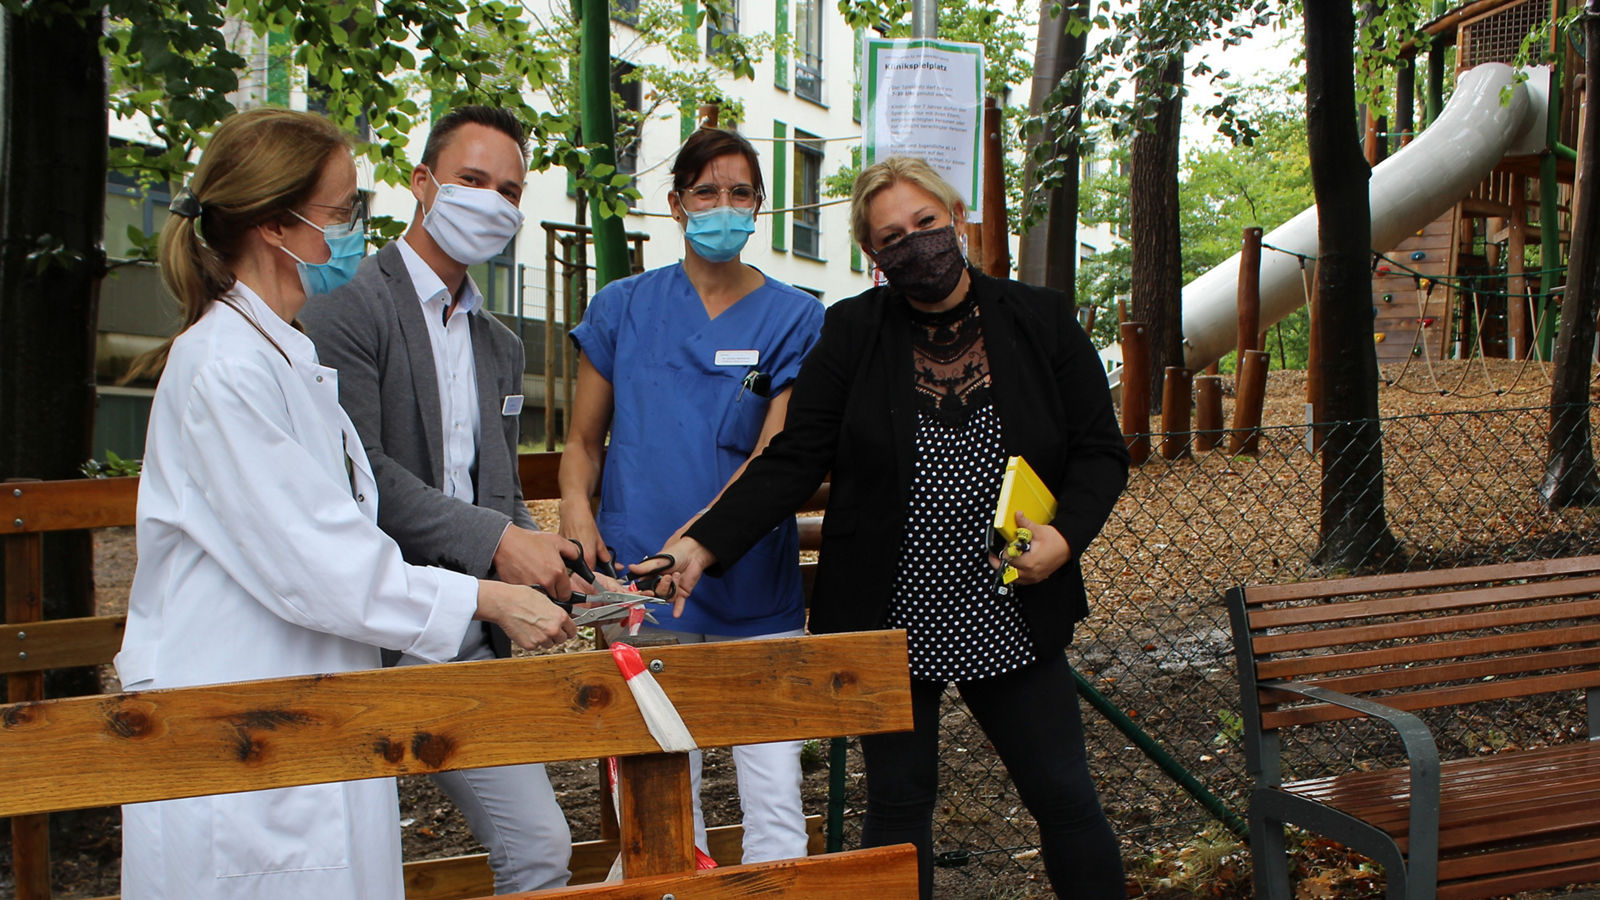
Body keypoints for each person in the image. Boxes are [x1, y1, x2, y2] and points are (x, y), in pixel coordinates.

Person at [114, 107, 579, 900]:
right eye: (340, 213)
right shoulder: (225, 369)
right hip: (242, 719)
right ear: (275, 224)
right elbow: (325, 561)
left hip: (314, 703)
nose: (350, 233)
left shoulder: (287, 357)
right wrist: (488, 591)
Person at [651, 156, 1130, 898]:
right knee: (899, 809)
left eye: (925, 225)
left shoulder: (1039, 318)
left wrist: (1065, 539)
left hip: (1011, 605)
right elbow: (794, 457)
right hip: (890, 618)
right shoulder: (851, 332)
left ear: (957, 217)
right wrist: (701, 542)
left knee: (1064, 798)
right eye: (891, 238)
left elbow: (1100, 451)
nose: (914, 244)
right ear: (875, 257)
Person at [300, 105, 578, 893]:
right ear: (423, 183)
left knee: (541, 849)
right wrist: (500, 540)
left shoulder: (502, 345)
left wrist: (560, 565)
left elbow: (494, 494)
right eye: (471, 180)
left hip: (465, 635)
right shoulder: (345, 307)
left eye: (510, 190)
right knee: (349, 872)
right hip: (359, 634)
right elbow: (366, 477)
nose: (492, 201)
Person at [557, 128, 823, 863]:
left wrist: (699, 543)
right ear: (675, 204)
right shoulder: (621, 308)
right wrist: (579, 514)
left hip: (752, 585)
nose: (722, 206)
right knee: (658, 800)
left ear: (759, 208)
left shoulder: (797, 318)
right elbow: (582, 443)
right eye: (705, 192)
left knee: (774, 797)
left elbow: (777, 455)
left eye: (740, 193)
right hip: (636, 583)